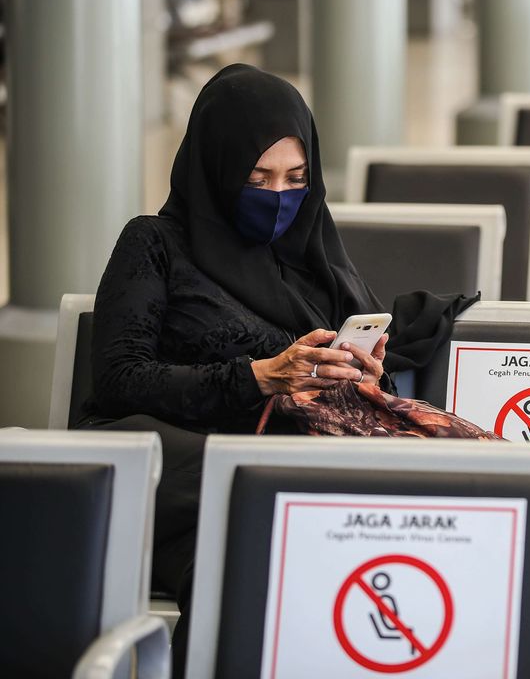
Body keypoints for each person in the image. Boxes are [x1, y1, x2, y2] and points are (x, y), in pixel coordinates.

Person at [78, 64, 476, 673]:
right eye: (257, 177)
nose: (279, 196)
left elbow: (360, 389)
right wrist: (260, 376)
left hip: (299, 466)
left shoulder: (319, 259)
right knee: (260, 534)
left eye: (295, 178)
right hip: (182, 475)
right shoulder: (155, 245)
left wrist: (364, 373)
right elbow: (119, 378)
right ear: (214, 168)